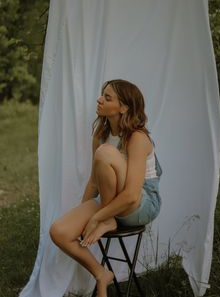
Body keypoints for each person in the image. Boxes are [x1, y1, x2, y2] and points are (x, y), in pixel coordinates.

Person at [49, 79, 162, 297]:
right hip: (113, 202)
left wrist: (97, 217)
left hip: (141, 203)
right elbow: (94, 182)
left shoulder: (138, 138)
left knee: (105, 152)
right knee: (59, 231)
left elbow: (130, 195)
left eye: (108, 97)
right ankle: (101, 273)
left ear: (124, 107)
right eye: (102, 95)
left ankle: (108, 219)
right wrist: (83, 214)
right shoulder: (100, 134)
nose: (100, 100)